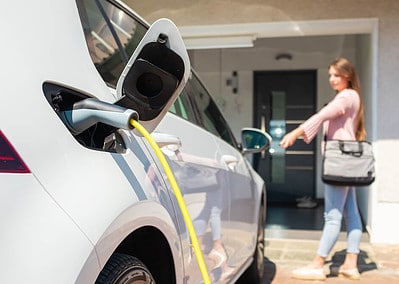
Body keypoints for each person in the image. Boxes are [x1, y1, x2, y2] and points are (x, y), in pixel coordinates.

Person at [280, 57, 366, 281]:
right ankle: (351, 264)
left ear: (347, 76)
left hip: (339, 163)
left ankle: (318, 265)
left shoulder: (346, 96)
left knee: (332, 216)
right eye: (330, 75)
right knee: (352, 214)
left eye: (336, 75)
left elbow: (322, 115)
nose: (332, 79)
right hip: (347, 163)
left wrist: (295, 133)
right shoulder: (353, 97)